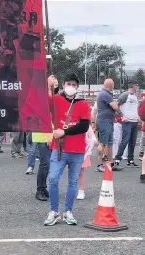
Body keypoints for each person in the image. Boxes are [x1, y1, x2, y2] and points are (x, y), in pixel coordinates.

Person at [44, 74, 90, 226]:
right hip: (59, 149)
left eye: (74, 84)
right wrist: (49, 86)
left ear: (77, 87)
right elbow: (45, 103)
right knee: (53, 179)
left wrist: (64, 132)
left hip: (77, 150)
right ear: (63, 85)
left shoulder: (83, 104)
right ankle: (54, 211)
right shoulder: (56, 100)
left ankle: (68, 211)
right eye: (69, 83)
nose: (71, 86)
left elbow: (84, 126)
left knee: (72, 182)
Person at [95, 79, 121, 172]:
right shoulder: (105, 94)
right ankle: (99, 165)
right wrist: (118, 105)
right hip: (104, 122)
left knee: (109, 144)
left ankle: (111, 164)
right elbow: (115, 107)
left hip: (108, 122)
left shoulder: (106, 94)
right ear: (111, 85)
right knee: (102, 143)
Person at [114, 82, 140, 168]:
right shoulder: (125, 95)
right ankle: (117, 158)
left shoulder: (135, 96)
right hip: (127, 122)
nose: (138, 87)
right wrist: (122, 116)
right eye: (137, 85)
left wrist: (138, 117)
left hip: (135, 122)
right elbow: (116, 106)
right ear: (133, 86)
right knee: (125, 140)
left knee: (132, 142)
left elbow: (135, 108)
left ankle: (130, 160)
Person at [77, 126, 98, 200]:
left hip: (84, 151)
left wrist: (94, 140)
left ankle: (81, 191)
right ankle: (71, 191)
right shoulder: (71, 123)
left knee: (81, 172)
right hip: (72, 151)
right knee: (72, 172)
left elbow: (92, 135)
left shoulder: (86, 125)